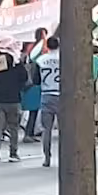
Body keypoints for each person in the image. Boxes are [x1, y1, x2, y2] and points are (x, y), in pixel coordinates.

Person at [0, 50, 28, 163]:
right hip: (14, 99)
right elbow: (25, 78)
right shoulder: (17, 67)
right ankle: (13, 153)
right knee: (13, 128)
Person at [37, 36, 60, 167]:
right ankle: (65, 155)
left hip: (46, 94)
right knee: (64, 129)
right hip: (61, 95)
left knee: (47, 129)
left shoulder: (41, 60)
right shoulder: (64, 59)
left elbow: (35, 79)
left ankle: (47, 157)